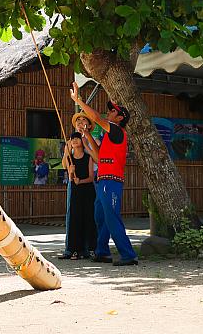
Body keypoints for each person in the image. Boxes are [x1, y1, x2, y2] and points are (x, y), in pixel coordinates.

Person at [69, 81, 139, 266]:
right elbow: (99, 157)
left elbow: (96, 118)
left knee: (111, 217)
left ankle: (128, 255)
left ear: (120, 117)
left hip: (111, 182)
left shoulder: (117, 130)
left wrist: (79, 101)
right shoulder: (110, 136)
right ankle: (102, 252)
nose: (109, 112)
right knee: (100, 217)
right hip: (103, 181)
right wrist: (87, 135)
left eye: (113, 111)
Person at [58, 132, 97, 259]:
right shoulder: (70, 158)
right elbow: (66, 169)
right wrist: (71, 173)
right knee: (74, 218)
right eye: (72, 139)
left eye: (76, 138)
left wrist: (80, 181)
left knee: (88, 217)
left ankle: (88, 249)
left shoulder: (88, 157)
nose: (74, 140)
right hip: (75, 190)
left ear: (82, 141)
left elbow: (91, 177)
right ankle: (73, 249)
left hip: (87, 190)